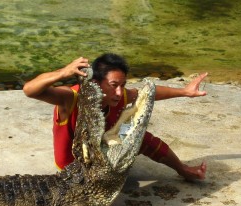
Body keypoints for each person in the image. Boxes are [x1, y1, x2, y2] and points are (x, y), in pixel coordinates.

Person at [23, 53, 207, 181]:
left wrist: (185, 91)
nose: (119, 92)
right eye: (113, 85)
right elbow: (29, 90)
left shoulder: (118, 95)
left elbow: (147, 94)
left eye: (123, 85)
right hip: (73, 172)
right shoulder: (71, 98)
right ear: (95, 82)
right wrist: (63, 72)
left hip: (102, 155)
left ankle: (182, 169)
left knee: (137, 134)